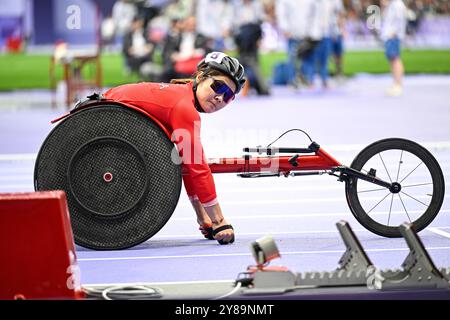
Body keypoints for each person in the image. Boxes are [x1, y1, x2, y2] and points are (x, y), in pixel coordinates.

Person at [103, 52, 245, 245]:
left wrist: (204, 218)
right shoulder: (184, 107)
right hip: (100, 124)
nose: (220, 97)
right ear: (200, 77)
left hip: (104, 119)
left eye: (228, 96)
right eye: (218, 86)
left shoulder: (181, 95)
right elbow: (198, 168)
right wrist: (219, 221)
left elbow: (186, 164)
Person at [381, 0, 407, 97]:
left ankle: (398, 85)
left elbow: (399, 21)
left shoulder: (397, 4)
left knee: (395, 59)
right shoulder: (392, 4)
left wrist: (394, 33)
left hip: (393, 36)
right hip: (389, 35)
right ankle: (395, 83)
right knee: (392, 60)